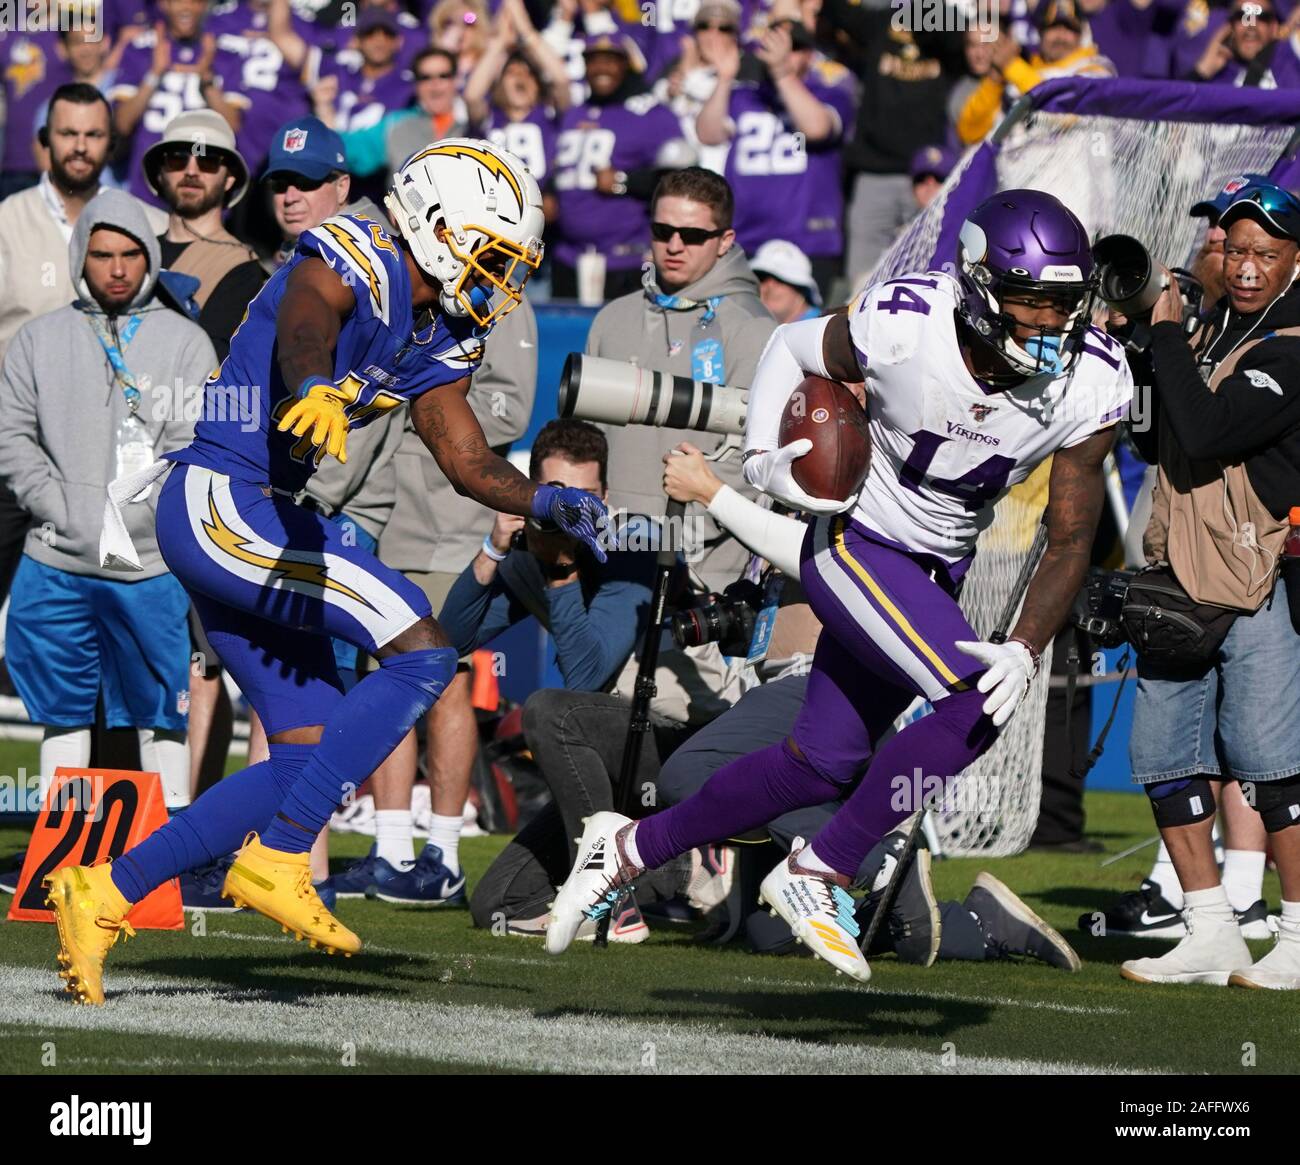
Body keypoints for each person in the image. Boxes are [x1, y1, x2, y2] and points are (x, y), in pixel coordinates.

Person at [41, 139, 606, 1007]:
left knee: (302, 753)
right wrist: (311, 382)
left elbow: (463, 455)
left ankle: (103, 893)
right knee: (422, 646)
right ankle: (275, 857)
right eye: (493, 255)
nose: (501, 279)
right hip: (224, 496)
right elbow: (309, 313)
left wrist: (545, 501)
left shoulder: (441, 325)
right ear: (438, 229)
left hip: (267, 512)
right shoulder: (363, 248)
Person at [547, 189, 1132, 982]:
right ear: (979, 284)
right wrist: (758, 462)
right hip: (856, 542)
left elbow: (1070, 536)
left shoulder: (1092, 380)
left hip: (936, 567)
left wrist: (1028, 645)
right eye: (1029, 299)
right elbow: (792, 345)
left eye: (1062, 302)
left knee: (816, 766)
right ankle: (822, 868)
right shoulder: (908, 322)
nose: (1048, 321)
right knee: (974, 700)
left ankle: (626, 845)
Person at [1109, 181, 1300, 990]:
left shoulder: (1293, 341)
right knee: (1163, 758)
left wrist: (1169, 341)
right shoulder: (1212, 325)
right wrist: (1144, 349)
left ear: (1296, 258)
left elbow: (1211, 429)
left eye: (1264, 253)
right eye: (1234, 250)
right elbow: (1155, 440)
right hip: (1179, 572)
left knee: (1270, 764)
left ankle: (1296, 934)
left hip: (1259, 577)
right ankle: (1209, 928)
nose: (1246, 268)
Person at [0, 189, 216, 815]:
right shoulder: (38, 339)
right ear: (80, 256)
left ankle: (164, 856)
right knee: (60, 710)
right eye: (101, 254)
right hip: (56, 558)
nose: (117, 268)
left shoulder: (185, 342)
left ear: (148, 255)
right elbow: (13, 438)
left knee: (161, 710)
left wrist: (130, 522)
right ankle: (59, 856)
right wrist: (62, 510)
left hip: (149, 564)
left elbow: (189, 448)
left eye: (129, 253)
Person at [585, 167, 776, 592]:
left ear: (725, 241)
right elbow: (587, 440)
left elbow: (750, 464)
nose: (673, 246)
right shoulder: (612, 318)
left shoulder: (753, 328)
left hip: (704, 571)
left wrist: (667, 539)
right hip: (608, 555)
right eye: (662, 230)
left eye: (692, 235)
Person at [695, 16, 856, 298]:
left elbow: (817, 128)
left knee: (807, 330)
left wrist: (783, 74)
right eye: (777, 47)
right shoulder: (745, 96)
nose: (784, 54)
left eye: (793, 48)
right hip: (748, 239)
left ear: (808, 55)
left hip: (809, 240)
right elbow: (708, 133)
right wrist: (723, 78)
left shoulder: (832, 93)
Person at [550, 33, 690, 301]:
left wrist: (624, 181)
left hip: (626, 260)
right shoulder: (573, 113)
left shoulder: (650, 114)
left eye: (610, 60)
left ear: (626, 65)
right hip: (568, 257)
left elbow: (681, 179)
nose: (601, 68)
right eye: (594, 60)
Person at [143, 109, 266, 363]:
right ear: (160, 172)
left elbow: (207, 362)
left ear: (229, 178)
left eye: (207, 161)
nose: (191, 171)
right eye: (178, 159)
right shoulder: (136, 250)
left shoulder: (243, 267)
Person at [108, 0, 250, 205]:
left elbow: (234, 125)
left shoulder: (225, 51)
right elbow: (122, 123)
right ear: (164, 4)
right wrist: (154, 74)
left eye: (194, 1)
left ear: (204, 5)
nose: (186, 7)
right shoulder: (140, 48)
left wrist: (207, 81)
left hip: (201, 184)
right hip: (147, 186)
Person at [956, 0, 1117, 146]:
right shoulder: (1024, 70)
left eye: (1069, 28)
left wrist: (1011, 66)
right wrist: (994, 81)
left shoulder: (1097, 68)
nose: (1061, 35)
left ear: (1081, 33)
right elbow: (970, 132)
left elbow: (1068, 114)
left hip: (1079, 175)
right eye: (1053, 27)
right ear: (1039, 31)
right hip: (1024, 175)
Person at [338, 48, 470, 183]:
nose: (435, 84)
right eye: (425, 77)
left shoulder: (473, 121)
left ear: (455, 80)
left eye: (443, 75)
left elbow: (475, 96)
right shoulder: (396, 124)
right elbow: (351, 148)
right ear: (416, 85)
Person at [1187, 0, 1300, 86]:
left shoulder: (1291, 58)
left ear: (1274, 27)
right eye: (1242, 16)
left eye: (1261, 17)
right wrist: (1202, 71)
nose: (1251, 25)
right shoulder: (1217, 78)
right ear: (1229, 27)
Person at [750, 238, 822, 324]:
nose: (770, 284)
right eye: (761, 277)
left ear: (802, 289)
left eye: (780, 279)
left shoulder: (823, 330)